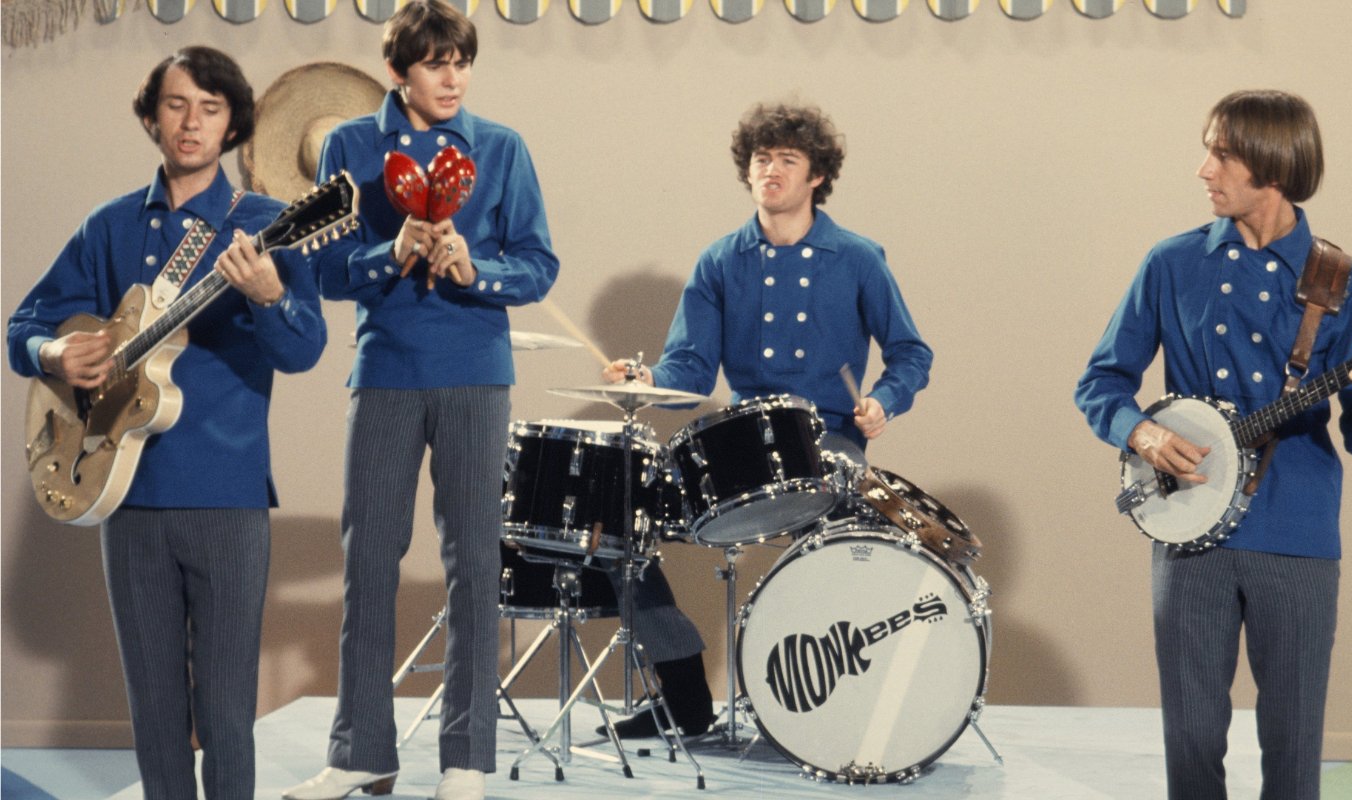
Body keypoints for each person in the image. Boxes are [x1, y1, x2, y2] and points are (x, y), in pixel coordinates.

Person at [1074, 89, 1352, 799]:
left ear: (1274, 164)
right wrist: (1139, 430)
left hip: (1296, 530)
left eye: (1222, 154)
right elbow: (1102, 381)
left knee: (1293, 746)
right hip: (1188, 529)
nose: (1204, 169)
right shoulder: (1171, 265)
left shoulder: (1346, 286)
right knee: (1191, 738)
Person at [6, 46, 327, 799]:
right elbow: (26, 322)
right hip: (124, 492)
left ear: (233, 124)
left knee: (223, 708)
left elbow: (304, 349)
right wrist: (56, 353)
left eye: (211, 109)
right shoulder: (110, 225)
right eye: (178, 104)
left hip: (227, 492)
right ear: (152, 117)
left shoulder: (265, 225)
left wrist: (271, 294)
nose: (192, 122)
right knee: (153, 710)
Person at [282, 2, 559, 799]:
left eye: (462, 62)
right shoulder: (349, 146)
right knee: (368, 558)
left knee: (475, 561)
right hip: (386, 370)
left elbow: (539, 264)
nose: (452, 76)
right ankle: (361, 750)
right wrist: (388, 250)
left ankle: (466, 761)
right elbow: (328, 276)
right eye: (435, 62)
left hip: (476, 369)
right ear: (400, 71)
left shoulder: (501, 148)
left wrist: (481, 272)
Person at [599, 102, 934, 738]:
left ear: (816, 177)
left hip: (830, 441)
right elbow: (691, 372)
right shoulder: (720, 262)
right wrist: (645, 382)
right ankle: (685, 693)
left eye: (787, 160)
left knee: (848, 538)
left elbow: (911, 354)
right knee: (620, 516)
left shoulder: (858, 257)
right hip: (741, 443)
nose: (770, 170)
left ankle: (835, 704)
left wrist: (885, 400)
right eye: (761, 159)